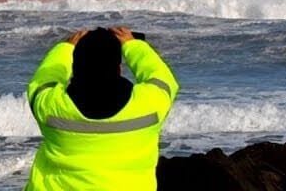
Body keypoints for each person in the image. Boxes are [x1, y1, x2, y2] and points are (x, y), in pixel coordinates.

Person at [24, 26, 178, 190]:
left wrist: (65, 48)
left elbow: (42, 83)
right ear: (119, 68)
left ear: (74, 68)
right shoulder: (148, 104)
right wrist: (132, 45)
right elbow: (162, 79)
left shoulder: (52, 106)